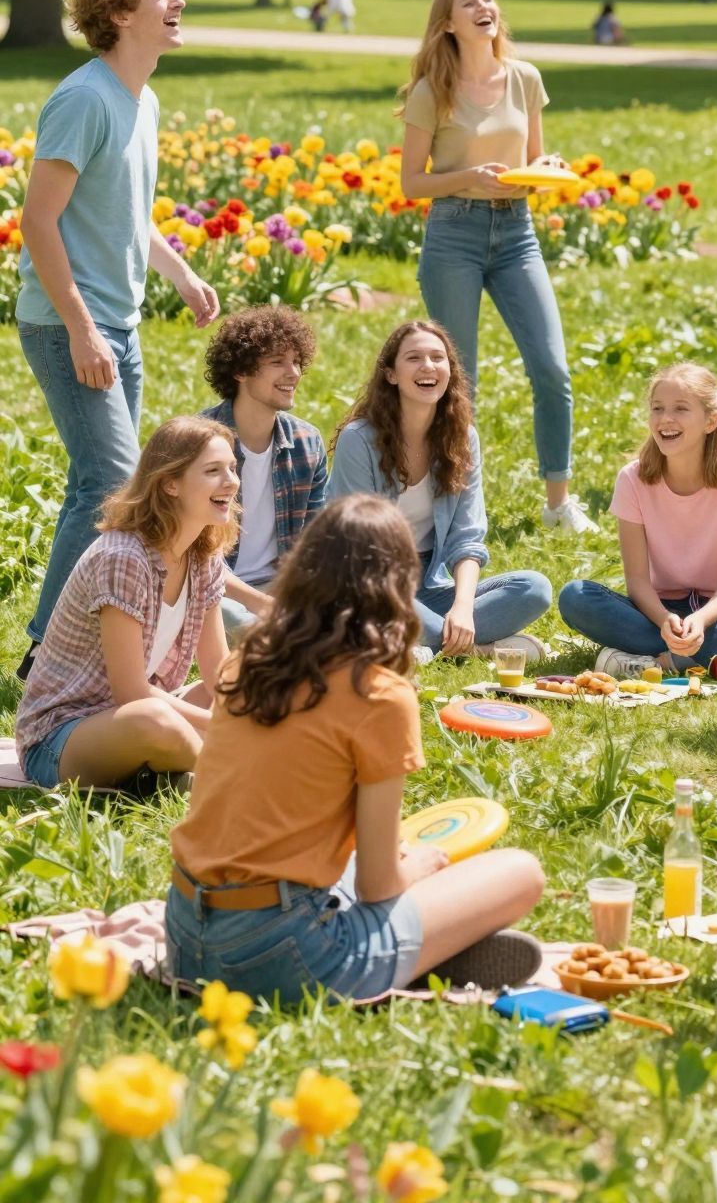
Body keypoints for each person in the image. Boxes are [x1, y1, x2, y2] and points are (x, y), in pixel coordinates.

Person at [166, 493, 546, 1004]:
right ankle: (416, 952)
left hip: (187, 932)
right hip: (283, 951)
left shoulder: (248, 661)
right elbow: (378, 885)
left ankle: (420, 949)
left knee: (373, 864)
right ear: (398, 586)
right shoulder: (380, 694)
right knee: (520, 872)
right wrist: (423, 867)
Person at [16, 0, 220, 677]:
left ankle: (48, 644)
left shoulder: (143, 97)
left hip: (118, 325)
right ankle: (51, 653)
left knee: (98, 485)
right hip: (65, 322)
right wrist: (80, 328)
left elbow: (130, 215)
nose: (180, 4)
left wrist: (183, 274)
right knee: (111, 483)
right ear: (117, 12)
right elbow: (40, 221)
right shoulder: (83, 98)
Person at [398, 0, 590, 533]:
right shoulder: (432, 90)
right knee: (459, 382)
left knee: (552, 369)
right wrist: (466, 178)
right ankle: (454, 506)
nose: (484, 7)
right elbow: (412, 181)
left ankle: (559, 504)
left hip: (516, 235)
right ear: (449, 24)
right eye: (469, 2)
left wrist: (546, 171)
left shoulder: (525, 79)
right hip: (453, 234)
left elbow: (535, 163)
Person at [15, 419, 235, 791]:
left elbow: (219, 672)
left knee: (252, 673)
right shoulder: (124, 557)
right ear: (170, 483)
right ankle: (241, 768)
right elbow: (132, 693)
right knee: (154, 721)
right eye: (214, 471)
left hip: (136, 715)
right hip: (61, 738)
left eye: (232, 468)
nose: (231, 480)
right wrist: (230, 729)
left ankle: (185, 770)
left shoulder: (204, 556)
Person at [558, 363, 717, 679]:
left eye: (680, 409)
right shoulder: (632, 480)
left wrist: (701, 621)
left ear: (711, 421)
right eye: (657, 408)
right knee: (575, 597)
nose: (665, 419)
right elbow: (637, 581)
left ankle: (661, 663)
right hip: (657, 612)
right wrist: (664, 621)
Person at [328, 320, 552, 660]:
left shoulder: (461, 439)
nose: (428, 366)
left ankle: (423, 643)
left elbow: (467, 536)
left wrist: (462, 608)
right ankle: (474, 650)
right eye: (414, 358)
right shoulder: (359, 440)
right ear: (391, 374)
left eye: (438, 357)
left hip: (428, 584)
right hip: (366, 585)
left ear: (450, 370)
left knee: (534, 588)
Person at [200, 307, 328, 642]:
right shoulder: (200, 443)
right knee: (249, 626)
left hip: (280, 588)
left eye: (297, 361)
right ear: (241, 371)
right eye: (277, 362)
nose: (293, 373)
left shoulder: (307, 442)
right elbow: (191, 554)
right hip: (216, 589)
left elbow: (312, 543)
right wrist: (261, 603)